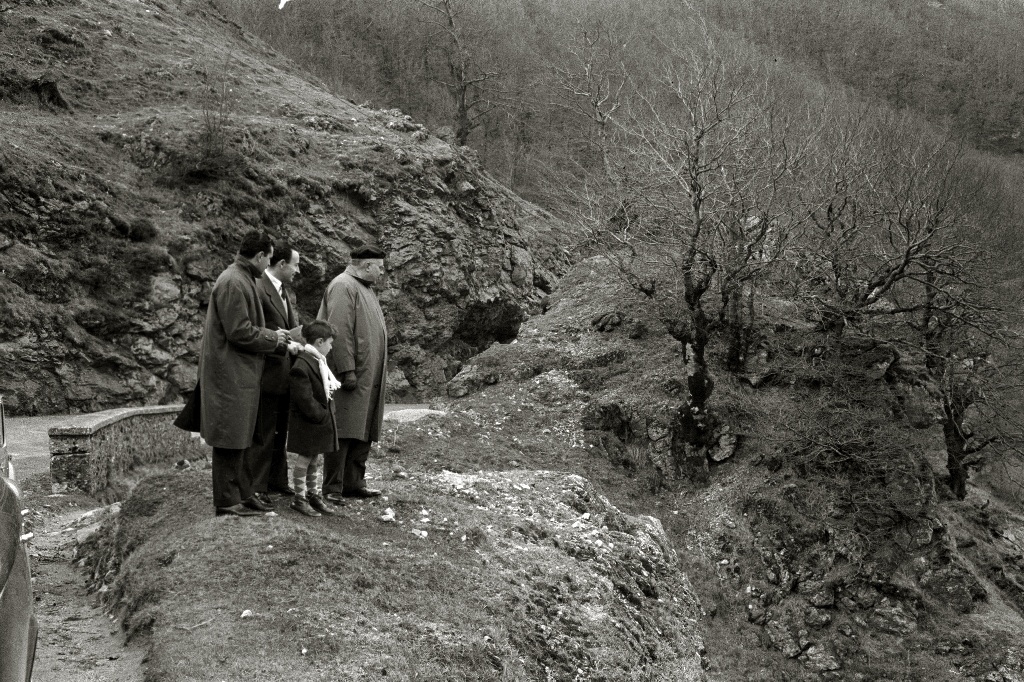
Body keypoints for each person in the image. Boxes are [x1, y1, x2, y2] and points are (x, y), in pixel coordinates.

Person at [198, 230, 294, 517]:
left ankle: (242, 493)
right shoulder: (233, 281)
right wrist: (273, 338)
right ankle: (227, 501)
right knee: (230, 437)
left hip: (240, 373)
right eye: (268, 258)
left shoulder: (242, 278)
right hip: (230, 375)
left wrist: (270, 336)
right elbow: (238, 331)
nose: (269, 264)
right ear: (260, 256)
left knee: (242, 436)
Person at [317, 245, 388, 504]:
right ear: (367, 265)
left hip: (366, 376)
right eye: (380, 267)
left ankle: (354, 483)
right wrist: (347, 369)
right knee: (344, 428)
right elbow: (339, 330)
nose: (382, 272)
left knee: (362, 428)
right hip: (349, 375)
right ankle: (333, 487)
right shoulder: (343, 286)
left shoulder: (364, 288)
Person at [248, 241, 303, 503]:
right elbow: (256, 330)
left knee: (279, 431)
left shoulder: (283, 291)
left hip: (282, 374)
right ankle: (257, 487)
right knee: (264, 433)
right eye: (295, 265)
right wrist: (284, 343)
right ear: (281, 264)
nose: (298, 271)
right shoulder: (259, 288)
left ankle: (277, 480)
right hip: (266, 372)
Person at [286, 320, 343, 517]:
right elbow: (304, 398)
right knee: (304, 459)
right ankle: (299, 499)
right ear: (319, 341)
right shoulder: (302, 364)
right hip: (307, 422)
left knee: (313, 459)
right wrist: (320, 414)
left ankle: (312, 494)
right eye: (329, 343)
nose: (331, 347)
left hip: (316, 422)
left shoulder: (317, 360)